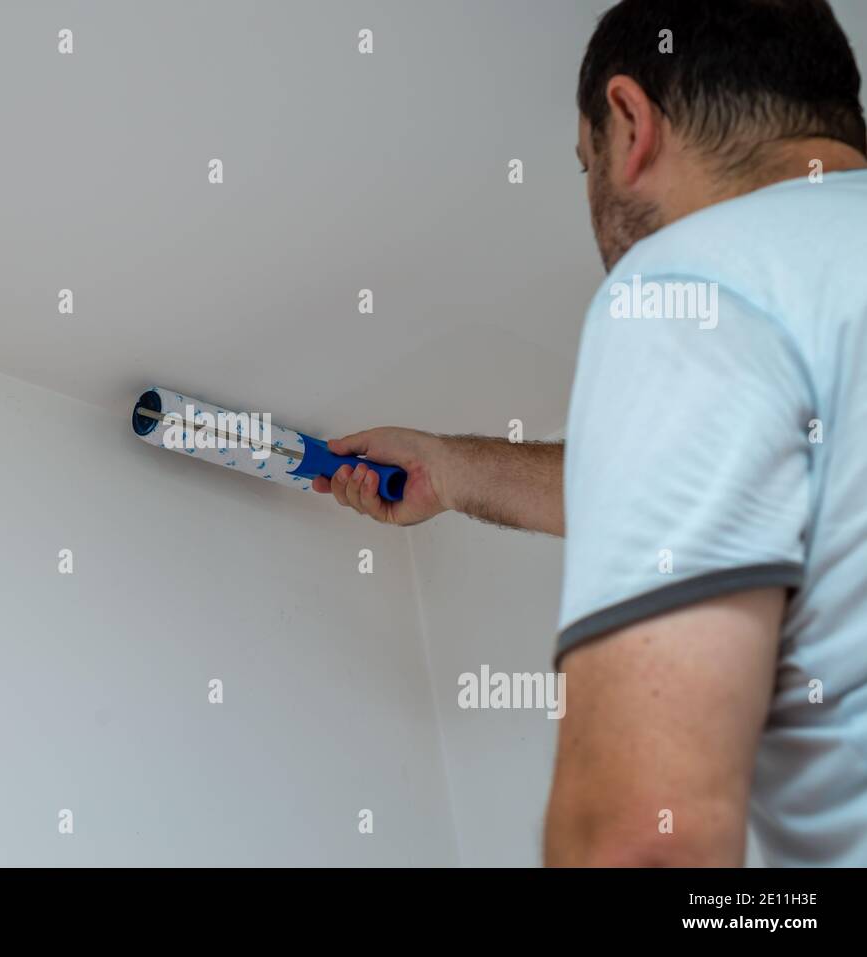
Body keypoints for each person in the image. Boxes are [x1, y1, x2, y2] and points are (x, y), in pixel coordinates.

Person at [315, 0, 867, 866]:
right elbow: (750, 480)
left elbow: (642, 840)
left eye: (586, 164)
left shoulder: (690, 277)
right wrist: (455, 470)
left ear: (630, 121)